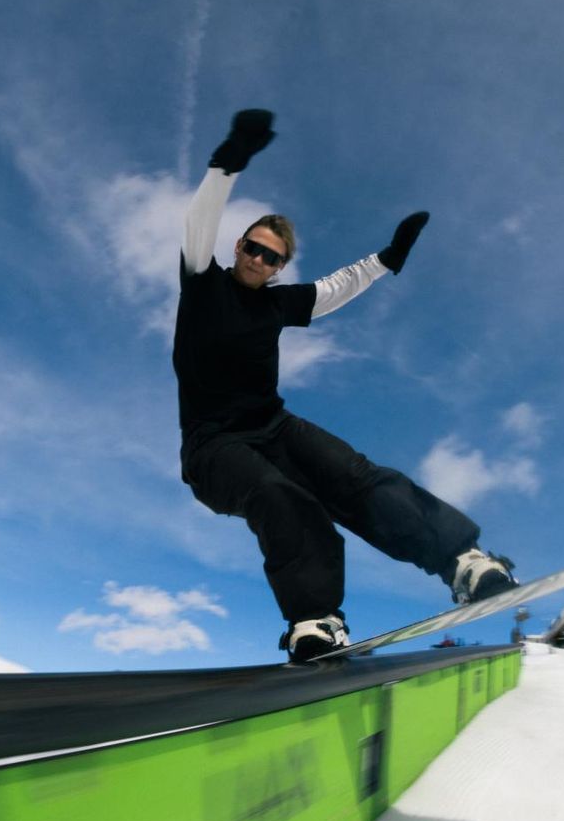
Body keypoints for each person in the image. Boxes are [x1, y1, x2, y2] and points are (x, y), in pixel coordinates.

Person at [173, 108, 516, 661]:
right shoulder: (202, 283)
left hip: (273, 426)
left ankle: (463, 564)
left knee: (359, 478)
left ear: (280, 267)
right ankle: (314, 619)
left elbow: (335, 288)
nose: (258, 260)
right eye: (252, 248)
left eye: (271, 257)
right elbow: (198, 221)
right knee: (282, 497)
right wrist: (229, 162)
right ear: (237, 247)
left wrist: (387, 260)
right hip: (212, 446)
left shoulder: (278, 304)